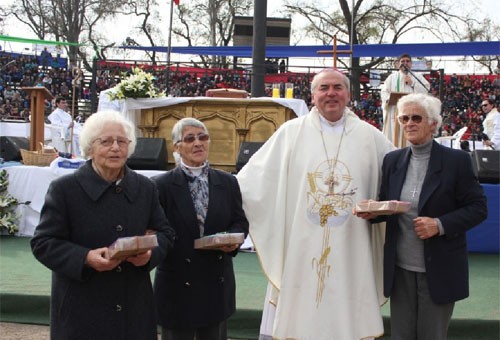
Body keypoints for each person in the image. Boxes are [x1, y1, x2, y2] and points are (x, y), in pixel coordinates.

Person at [236, 68, 395, 340]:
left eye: (337, 87)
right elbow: (253, 179)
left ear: (348, 94)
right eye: (324, 88)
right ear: (313, 96)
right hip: (302, 240)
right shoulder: (291, 133)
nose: (331, 93)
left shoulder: (371, 137)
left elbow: (396, 179)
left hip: (353, 240)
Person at [31, 110, 175, 340]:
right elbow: (43, 243)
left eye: (121, 141)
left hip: (133, 309)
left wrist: (150, 254)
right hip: (82, 309)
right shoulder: (65, 189)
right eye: (106, 141)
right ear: (90, 148)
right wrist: (85, 258)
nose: (115, 147)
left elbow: (166, 233)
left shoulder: (145, 188)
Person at [354, 93, 488, 340]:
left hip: (439, 268)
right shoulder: (393, 160)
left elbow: (478, 208)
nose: (409, 123)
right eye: (404, 118)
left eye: (416, 118)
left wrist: (439, 224)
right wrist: (373, 212)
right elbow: (389, 203)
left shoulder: (456, 161)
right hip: (401, 268)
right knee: (401, 336)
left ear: (433, 124)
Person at [153, 117, 249, 340]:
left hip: (215, 279)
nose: (198, 143)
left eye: (203, 137)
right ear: (177, 146)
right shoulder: (161, 185)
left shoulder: (227, 182)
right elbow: (156, 229)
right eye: (189, 139)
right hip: (177, 282)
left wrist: (233, 240)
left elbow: (240, 222)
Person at [381, 53, 430, 148]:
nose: (405, 63)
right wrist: (388, 99)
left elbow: (425, 90)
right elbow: (384, 92)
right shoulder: (392, 78)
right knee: (394, 138)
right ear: (398, 64)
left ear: (411, 64)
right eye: (402, 61)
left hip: (411, 113)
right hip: (395, 112)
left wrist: (412, 84)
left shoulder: (417, 77)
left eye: (407, 61)